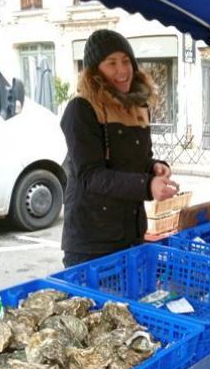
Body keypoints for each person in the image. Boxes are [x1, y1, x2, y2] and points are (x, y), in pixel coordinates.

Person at [60, 29, 179, 268]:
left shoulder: (138, 105)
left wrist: (155, 167)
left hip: (130, 233)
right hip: (91, 241)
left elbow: (138, 159)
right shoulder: (81, 109)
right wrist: (147, 186)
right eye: (111, 63)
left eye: (126, 61)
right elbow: (90, 175)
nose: (122, 70)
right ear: (95, 70)